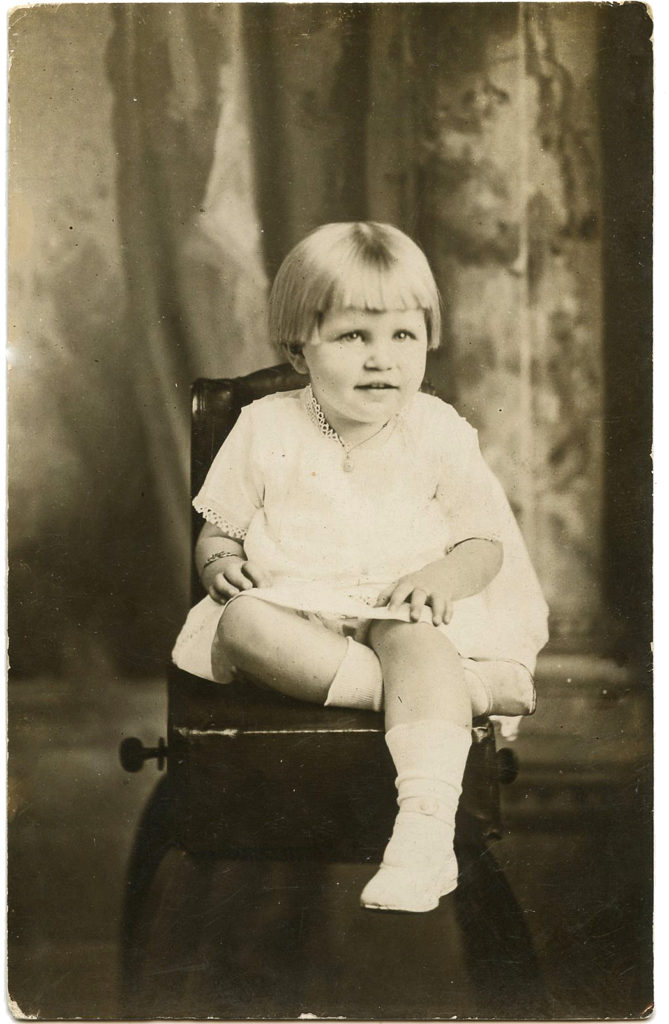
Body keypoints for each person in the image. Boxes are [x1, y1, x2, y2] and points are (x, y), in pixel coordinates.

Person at [173, 221, 549, 914]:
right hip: (297, 610)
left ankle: (424, 831)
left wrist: (442, 578)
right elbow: (218, 527)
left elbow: (483, 545)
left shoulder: (436, 430)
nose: (382, 359)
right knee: (243, 624)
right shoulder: (263, 426)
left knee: (414, 640)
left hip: (400, 608)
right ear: (298, 348)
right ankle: (446, 692)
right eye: (353, 337)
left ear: (426, 341)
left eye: (402, 336)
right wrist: (219, 563)